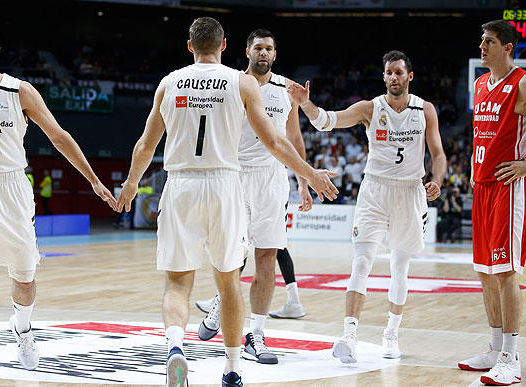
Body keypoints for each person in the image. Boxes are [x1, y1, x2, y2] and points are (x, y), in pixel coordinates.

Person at [116, 17, 337, 387]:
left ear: (189, 45)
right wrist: (310, 173)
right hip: (224, 184)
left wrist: (130, 184)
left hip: (182, 183)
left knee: (177, 282)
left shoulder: (169, 83)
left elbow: (146, 145)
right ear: (224, 46)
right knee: (229, 281)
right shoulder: (241, 82)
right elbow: (275, 142)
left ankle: (175, 348)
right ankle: (232, 368)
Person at [0, 24, 117, 387]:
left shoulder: (19, 91)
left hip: (10, 189)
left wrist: (94, 181)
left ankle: (23, 327)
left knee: (24, 276)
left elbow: (59, 136)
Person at [288, 50, 446, 363]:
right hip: (375, 189)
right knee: (362, 261)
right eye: (389, 72)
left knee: (400, 266)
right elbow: (326, 122)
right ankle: (349, 335)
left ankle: (392, 332)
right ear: (384, 76)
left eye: (399, 72)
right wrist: (306, 103)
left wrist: (438, 180)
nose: (393, 77)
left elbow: (438, 154)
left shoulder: (425, 110)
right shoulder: (370, 108)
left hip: (410, 192)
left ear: (409, 76)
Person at [195, 29, 313, 365]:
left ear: (275, 54)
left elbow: (293, 137)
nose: (263, 53)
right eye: (258, 47)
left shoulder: (287, 89)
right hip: (235, 177)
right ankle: (222, 302)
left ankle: (256, 335)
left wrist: (303, 181)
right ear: (247, 51)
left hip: (274, 180)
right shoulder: (231, 84)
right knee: (234, 255)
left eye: (269, 48)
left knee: (266, 259)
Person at [458, 20, 526, 386]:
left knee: (504, 272)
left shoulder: (523, 82)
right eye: (481, 40)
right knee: (484, 271)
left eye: (489, 41)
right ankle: (495, 347)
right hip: (482, 186)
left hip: (508, 188)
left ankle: (510, 358)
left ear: (507, 49)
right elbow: (479, 135)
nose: (482, 46)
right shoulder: (480, 83)